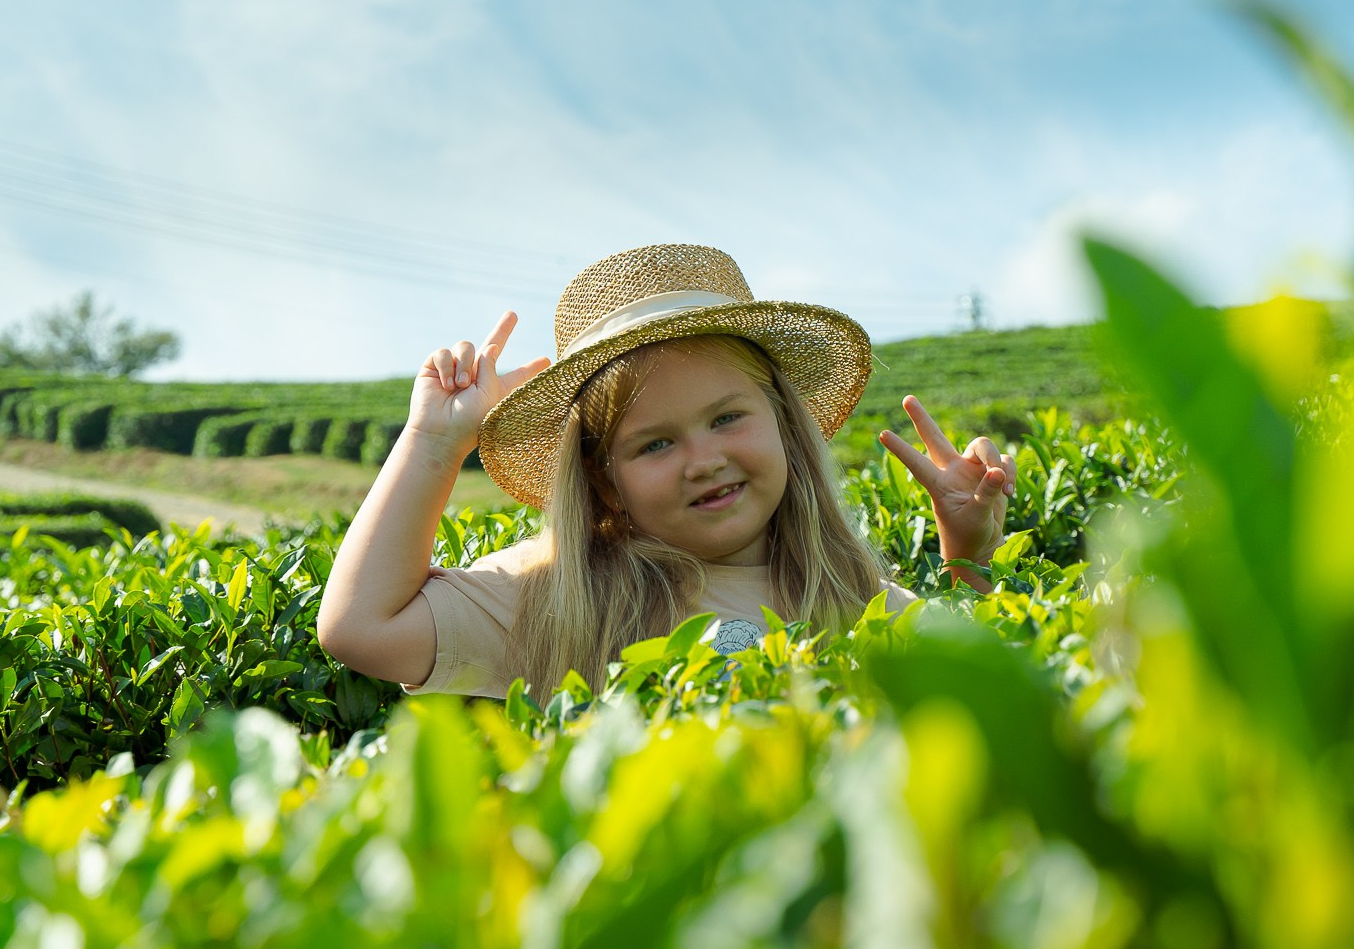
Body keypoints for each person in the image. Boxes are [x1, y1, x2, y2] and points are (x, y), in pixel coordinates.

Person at [316, 243, 1016, 699]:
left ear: (783, 422)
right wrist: (434, 446)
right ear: (601, 478)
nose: (702, 460)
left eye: (726, 418)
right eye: (654, 444)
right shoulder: (556, 597)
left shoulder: (851, 591)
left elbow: (983, 698)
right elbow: (359, 627)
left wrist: (970, 561)